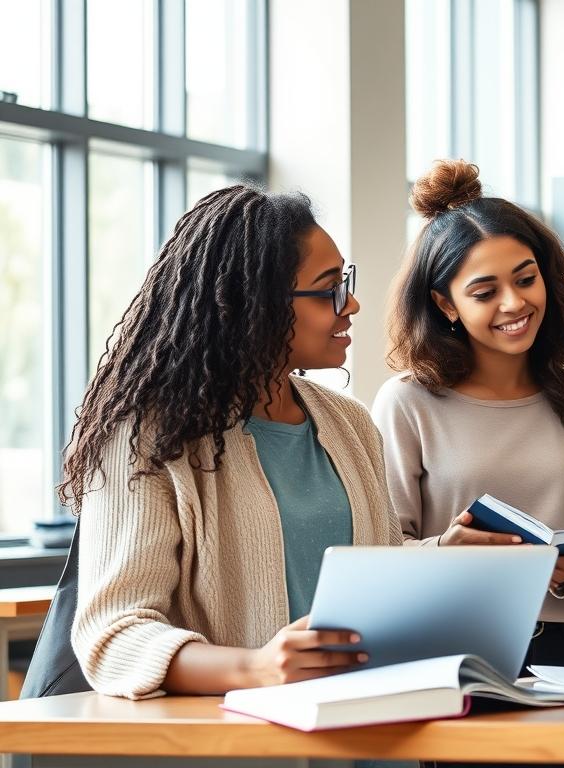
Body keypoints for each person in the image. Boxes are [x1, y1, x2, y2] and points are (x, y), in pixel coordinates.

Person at [63, 185, 401, 698]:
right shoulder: (150, 438)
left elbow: (376, 568)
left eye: (345, 282)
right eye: (330, 287)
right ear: (256, 304)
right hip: (245, 741)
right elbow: (115, 634)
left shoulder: (349, 424)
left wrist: (451, 550)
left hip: (373, 726)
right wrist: (257, 669)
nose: (351, 303)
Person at [372, 160, 564, 672]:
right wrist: (446, 549)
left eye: (526, 280)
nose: (514, 303)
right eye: (485, 293)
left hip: (563, 648)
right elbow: (379, 551)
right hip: (447, 644)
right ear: (446, 304)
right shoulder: (407, 403)